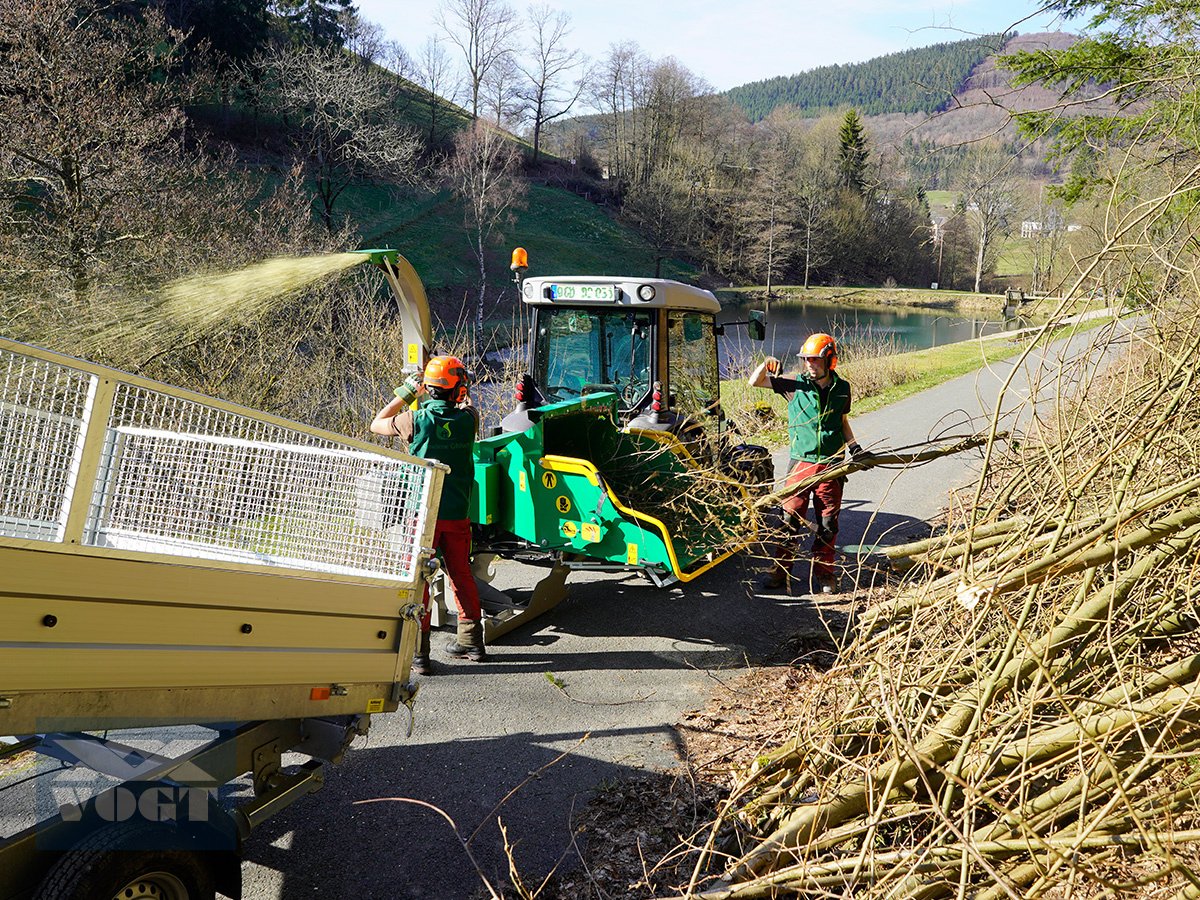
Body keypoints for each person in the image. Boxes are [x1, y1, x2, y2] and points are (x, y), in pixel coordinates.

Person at [371, 355, 486, 674]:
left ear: (429, 389)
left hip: (422, 516)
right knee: (461, 574)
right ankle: (472, 642)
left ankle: (419, 653)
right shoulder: (470, 420)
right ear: (457, 390)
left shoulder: (412, 420)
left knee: (420, 579)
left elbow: (376, 423)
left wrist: (407, 392)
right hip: (457, 512)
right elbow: (467, 401)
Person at [747, 333, 865, 594]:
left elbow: (842, 422)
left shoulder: (842, 388)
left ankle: (824, 574)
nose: (810, 364)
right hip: (801, 464)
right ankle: (780, 571)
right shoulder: (794, 384)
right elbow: (755, 381)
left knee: (828, 523)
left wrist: (855, 448)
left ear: (830, 360)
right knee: (789, 518)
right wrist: (766, 363)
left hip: (832, 465)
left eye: (815, 360)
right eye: (806, 359)